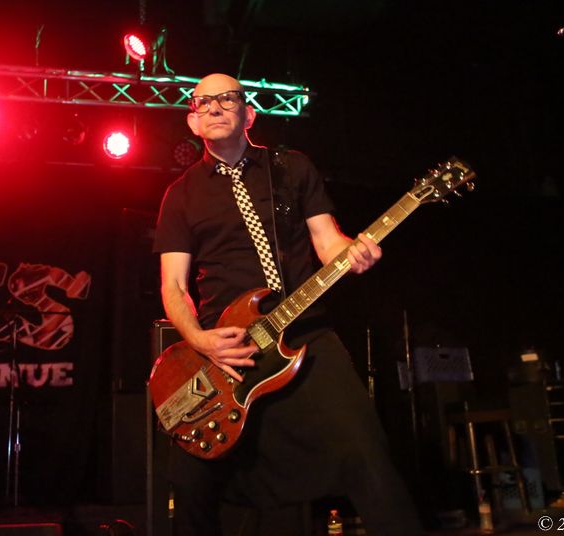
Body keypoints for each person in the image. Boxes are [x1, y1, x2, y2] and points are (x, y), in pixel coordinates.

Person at [153, 73, 425, 535]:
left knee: (366, 453)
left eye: (228, 99)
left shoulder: (291, 167)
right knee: (192, 481)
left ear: (249, 115)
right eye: (203, 102)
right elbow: (173, 286)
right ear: (192, 122)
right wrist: (201, 340)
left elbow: (328, 241)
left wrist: (354, 253)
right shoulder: (180, 195)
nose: (215, 107)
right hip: (227, 351)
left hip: (304, 331)